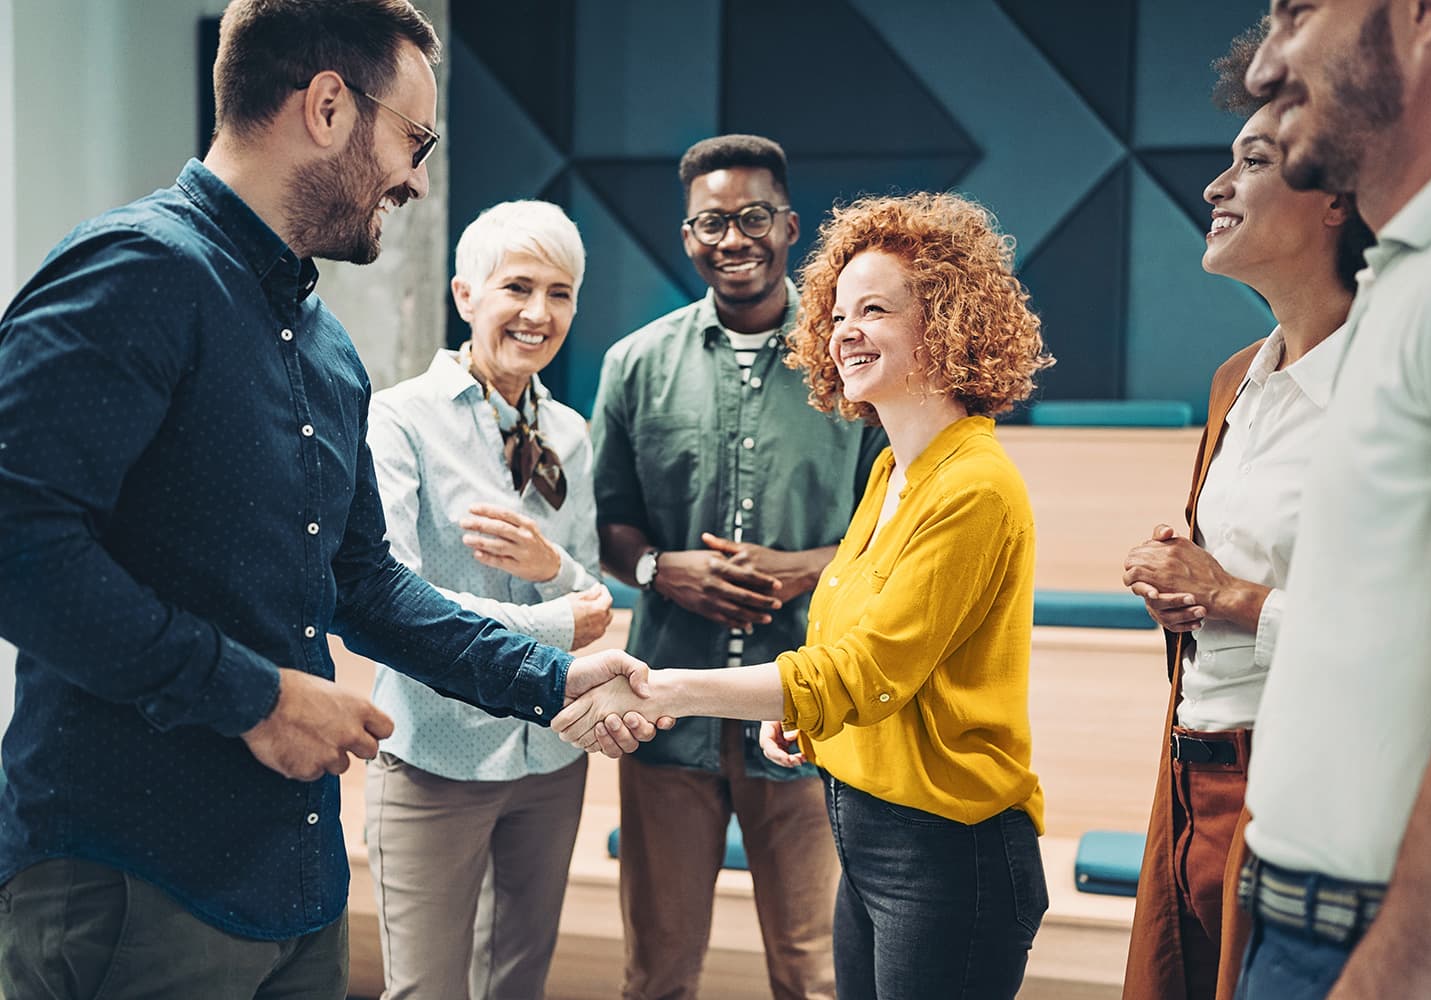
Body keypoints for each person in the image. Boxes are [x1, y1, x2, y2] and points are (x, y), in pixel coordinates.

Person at [0, 4, 653, 997]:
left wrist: (547, 676)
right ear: (330, 106)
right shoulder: (136, 272)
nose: (419, 177)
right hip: (133, 877)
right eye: (414, 138)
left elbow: (361, 584)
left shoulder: (326, 346)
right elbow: (17, 541)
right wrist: (253, 694)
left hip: (298, 884)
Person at [567, 191, 1055, 1000]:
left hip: (948, 850)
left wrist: (671, 688)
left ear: (944, 320)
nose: (844, 331)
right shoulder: (895, 472)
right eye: (837, 313)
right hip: (862, 824)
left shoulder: (973, 487)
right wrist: (798, 717)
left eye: (874, 310)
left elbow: (864, 671)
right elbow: (844, 646)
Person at [1230, 1, 1431, 996]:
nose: (1266, 65)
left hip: (1409, 951)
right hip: (1316, 925)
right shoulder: (1421, 263)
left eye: (1297, 12)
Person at [589, 134, 885, 1000]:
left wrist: (802, 569)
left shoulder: (854, 366)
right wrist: (657, 571)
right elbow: (611, 524)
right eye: (711, 222)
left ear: (790, 226)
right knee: (658, 973)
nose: (734, 237)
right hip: (662, 712)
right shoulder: (634, 365)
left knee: (814, 973)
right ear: (687, 237)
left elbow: (888, 534)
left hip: (806, 712)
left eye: (754, 217)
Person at [1119, 21, 1375, 1000]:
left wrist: (1223, 593)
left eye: (1253, 162)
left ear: (1334, 201)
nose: (1214, 188)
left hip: (1301, 777)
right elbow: (1225, 579)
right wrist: (1178, 580)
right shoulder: (1238, 379)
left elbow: (1411, 637)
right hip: (1192, 765)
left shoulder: (1386, 381)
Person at [363, 200, 612, 998]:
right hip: (437, 752)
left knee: (519, 984)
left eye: (561, 292)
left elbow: (594, 594)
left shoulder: (570, 432)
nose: (540, 313)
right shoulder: (398, 420)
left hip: (551, 755)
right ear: (466, 295)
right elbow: (390, 596)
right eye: (518, 287)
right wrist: (554, 614)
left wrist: (551, 567)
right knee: (427, 989)